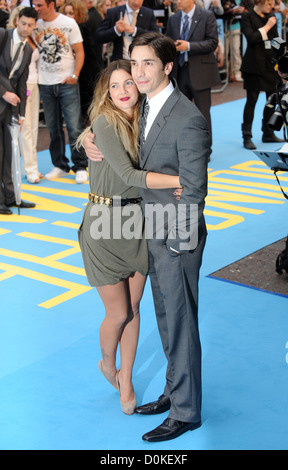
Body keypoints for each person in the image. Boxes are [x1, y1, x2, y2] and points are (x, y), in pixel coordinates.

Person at [84, 32, 209, 442]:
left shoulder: (186, 115)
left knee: (181, 321)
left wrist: (180, 240)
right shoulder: (143, 106)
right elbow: (106, 126)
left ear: (168, 67)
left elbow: (194, 189)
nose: (137, 73)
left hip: (174, 234)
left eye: (147, 64)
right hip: (146, 230)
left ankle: (187, 411)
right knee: (165, 318)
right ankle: (174, 392)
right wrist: (85, 138)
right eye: (133, 63)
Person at [77, 59, 182, 416]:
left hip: (137, 223)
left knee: (135, 309)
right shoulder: (104, 122)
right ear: (105, 93)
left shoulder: (145, 119)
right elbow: (126, 172)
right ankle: (108, 363)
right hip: (103, 224)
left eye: (128, 84)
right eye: (114, 86)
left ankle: (127, 380)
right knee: (118, 312)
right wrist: (182, 182)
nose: (122, 92)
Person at [32, 0, 88, 183]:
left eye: (40, 5)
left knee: (74, 127)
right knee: (53, 128)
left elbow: (79, 51)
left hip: (66, 82)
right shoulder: (34, 25)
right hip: (45, 83)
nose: (36, 9)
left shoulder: (68, 23)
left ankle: (80, 165)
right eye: (35, 5)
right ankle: (60, 164)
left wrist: (75, 74)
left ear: (51, 4)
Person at [165, 0, 220, 156]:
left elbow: (212, 42)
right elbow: (167, 41)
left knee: (203, 113)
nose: (178, 2)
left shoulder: (207, 16)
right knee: (181, 113)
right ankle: (185, 148)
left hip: (200, 72)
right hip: (180, 72)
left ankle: (205, 149)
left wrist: (188, 46)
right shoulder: (173, 19)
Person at [0, 6, 37, 215]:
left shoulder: (29, 49)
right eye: (23, 23)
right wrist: (4, 92)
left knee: (11, 154)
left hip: (11, 108)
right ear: (17, 21)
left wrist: (22, 114)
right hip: (2, 99)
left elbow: (22, 83)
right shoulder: (3, 36)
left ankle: (13, 198)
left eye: (30, 25)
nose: (26, 27)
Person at [240, 0, 284, 149]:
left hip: (270, 65)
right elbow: (251, 38)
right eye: (269, 3)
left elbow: (276, 38)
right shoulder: (247, 17)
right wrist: (267, 27)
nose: (271, 6)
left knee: (272, 100)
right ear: (260, 2)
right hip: (253, 66)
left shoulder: (271, 16)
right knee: (251, 100)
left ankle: (268, 132)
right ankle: (247, 135)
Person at [60, 0, 102, 125]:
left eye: (71, 13)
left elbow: (90, 55)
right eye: (66, 13)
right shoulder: (65, 30)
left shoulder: (82, 29)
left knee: (86, 115)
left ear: (79, 14)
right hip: (74, 76)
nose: (68, 16)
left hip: (85, 77)